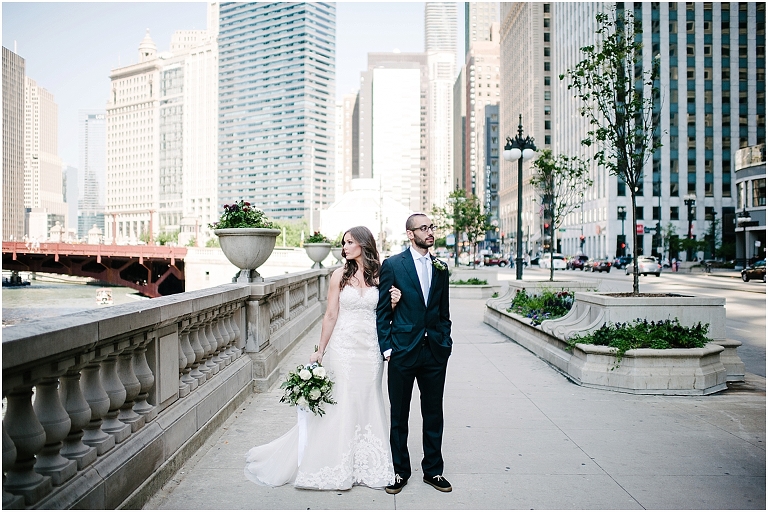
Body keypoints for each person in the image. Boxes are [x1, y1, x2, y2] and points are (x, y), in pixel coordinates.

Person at [244, 226, 396, 490]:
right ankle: (338, 463)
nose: (345, 247)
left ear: (363, 243)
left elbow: (384, 314)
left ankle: (367, 464)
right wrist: (321, 350)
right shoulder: (339, 275)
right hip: (344, 347)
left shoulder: (381, 275)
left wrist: (394, 301)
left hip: (371, 348)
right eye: (343, 243)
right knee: (344, 399)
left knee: (368, 398)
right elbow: (331, 315)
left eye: (349, 242)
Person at [376, 212, 453, 494]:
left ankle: (433, 471)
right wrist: (387, 348)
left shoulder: (441, 267)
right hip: (402, 352)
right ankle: (399, 471)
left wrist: (446, 342)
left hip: (434, 352)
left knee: (434, 413)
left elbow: (444, 312)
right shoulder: (394, 265)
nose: (430, 232)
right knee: (400, 415)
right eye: (424, 228)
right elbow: (383, 312)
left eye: (431, 227)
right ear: (410, 234)